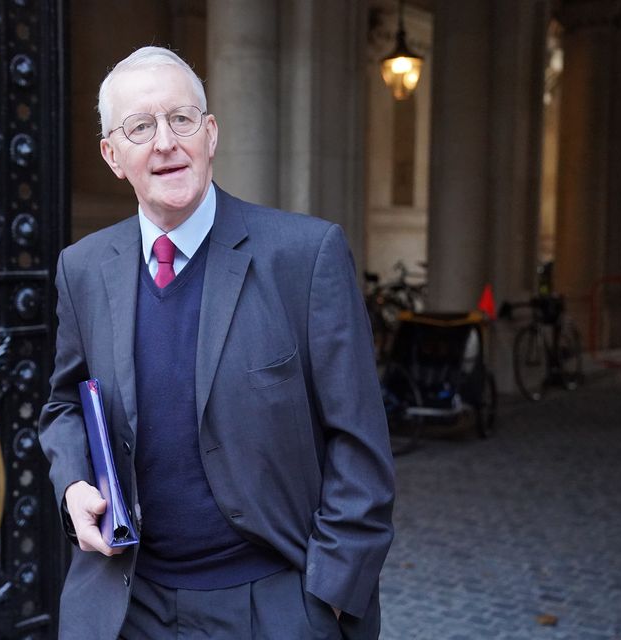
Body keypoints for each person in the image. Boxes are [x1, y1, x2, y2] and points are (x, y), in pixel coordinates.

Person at [39, 46, 394, 639]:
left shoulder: (305, 257)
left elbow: (360, 442)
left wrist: (328, 597)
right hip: (129, 606)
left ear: (210, 134)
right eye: (139, 127)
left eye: (181, 119)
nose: (164, 142)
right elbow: (66, 404)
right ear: (112, 156)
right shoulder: (83, 267)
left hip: (271, 605)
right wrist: (74, 482)